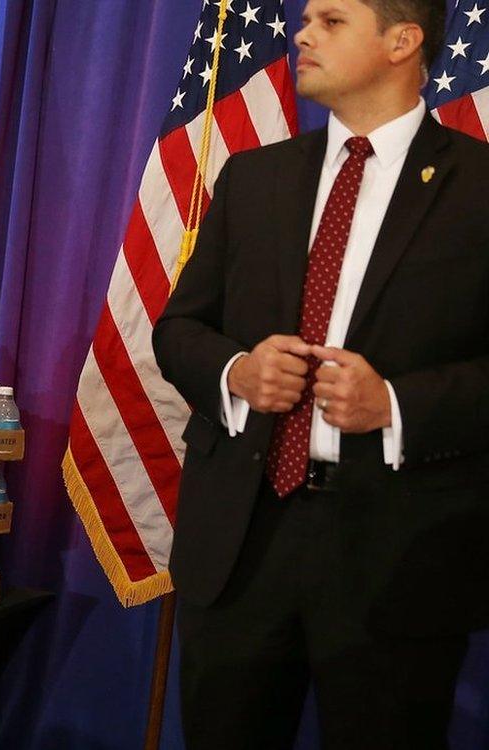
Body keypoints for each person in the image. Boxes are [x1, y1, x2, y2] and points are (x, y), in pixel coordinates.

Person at [152, 0, 489, 747]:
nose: (303, 34)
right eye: (306, 19)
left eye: (331, 20)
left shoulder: (480, 188)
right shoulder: (255, 175)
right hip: (242, 545)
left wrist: (396, 404)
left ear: (403, 41)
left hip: (398, 557)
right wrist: (237, 372)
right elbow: (178, 330)